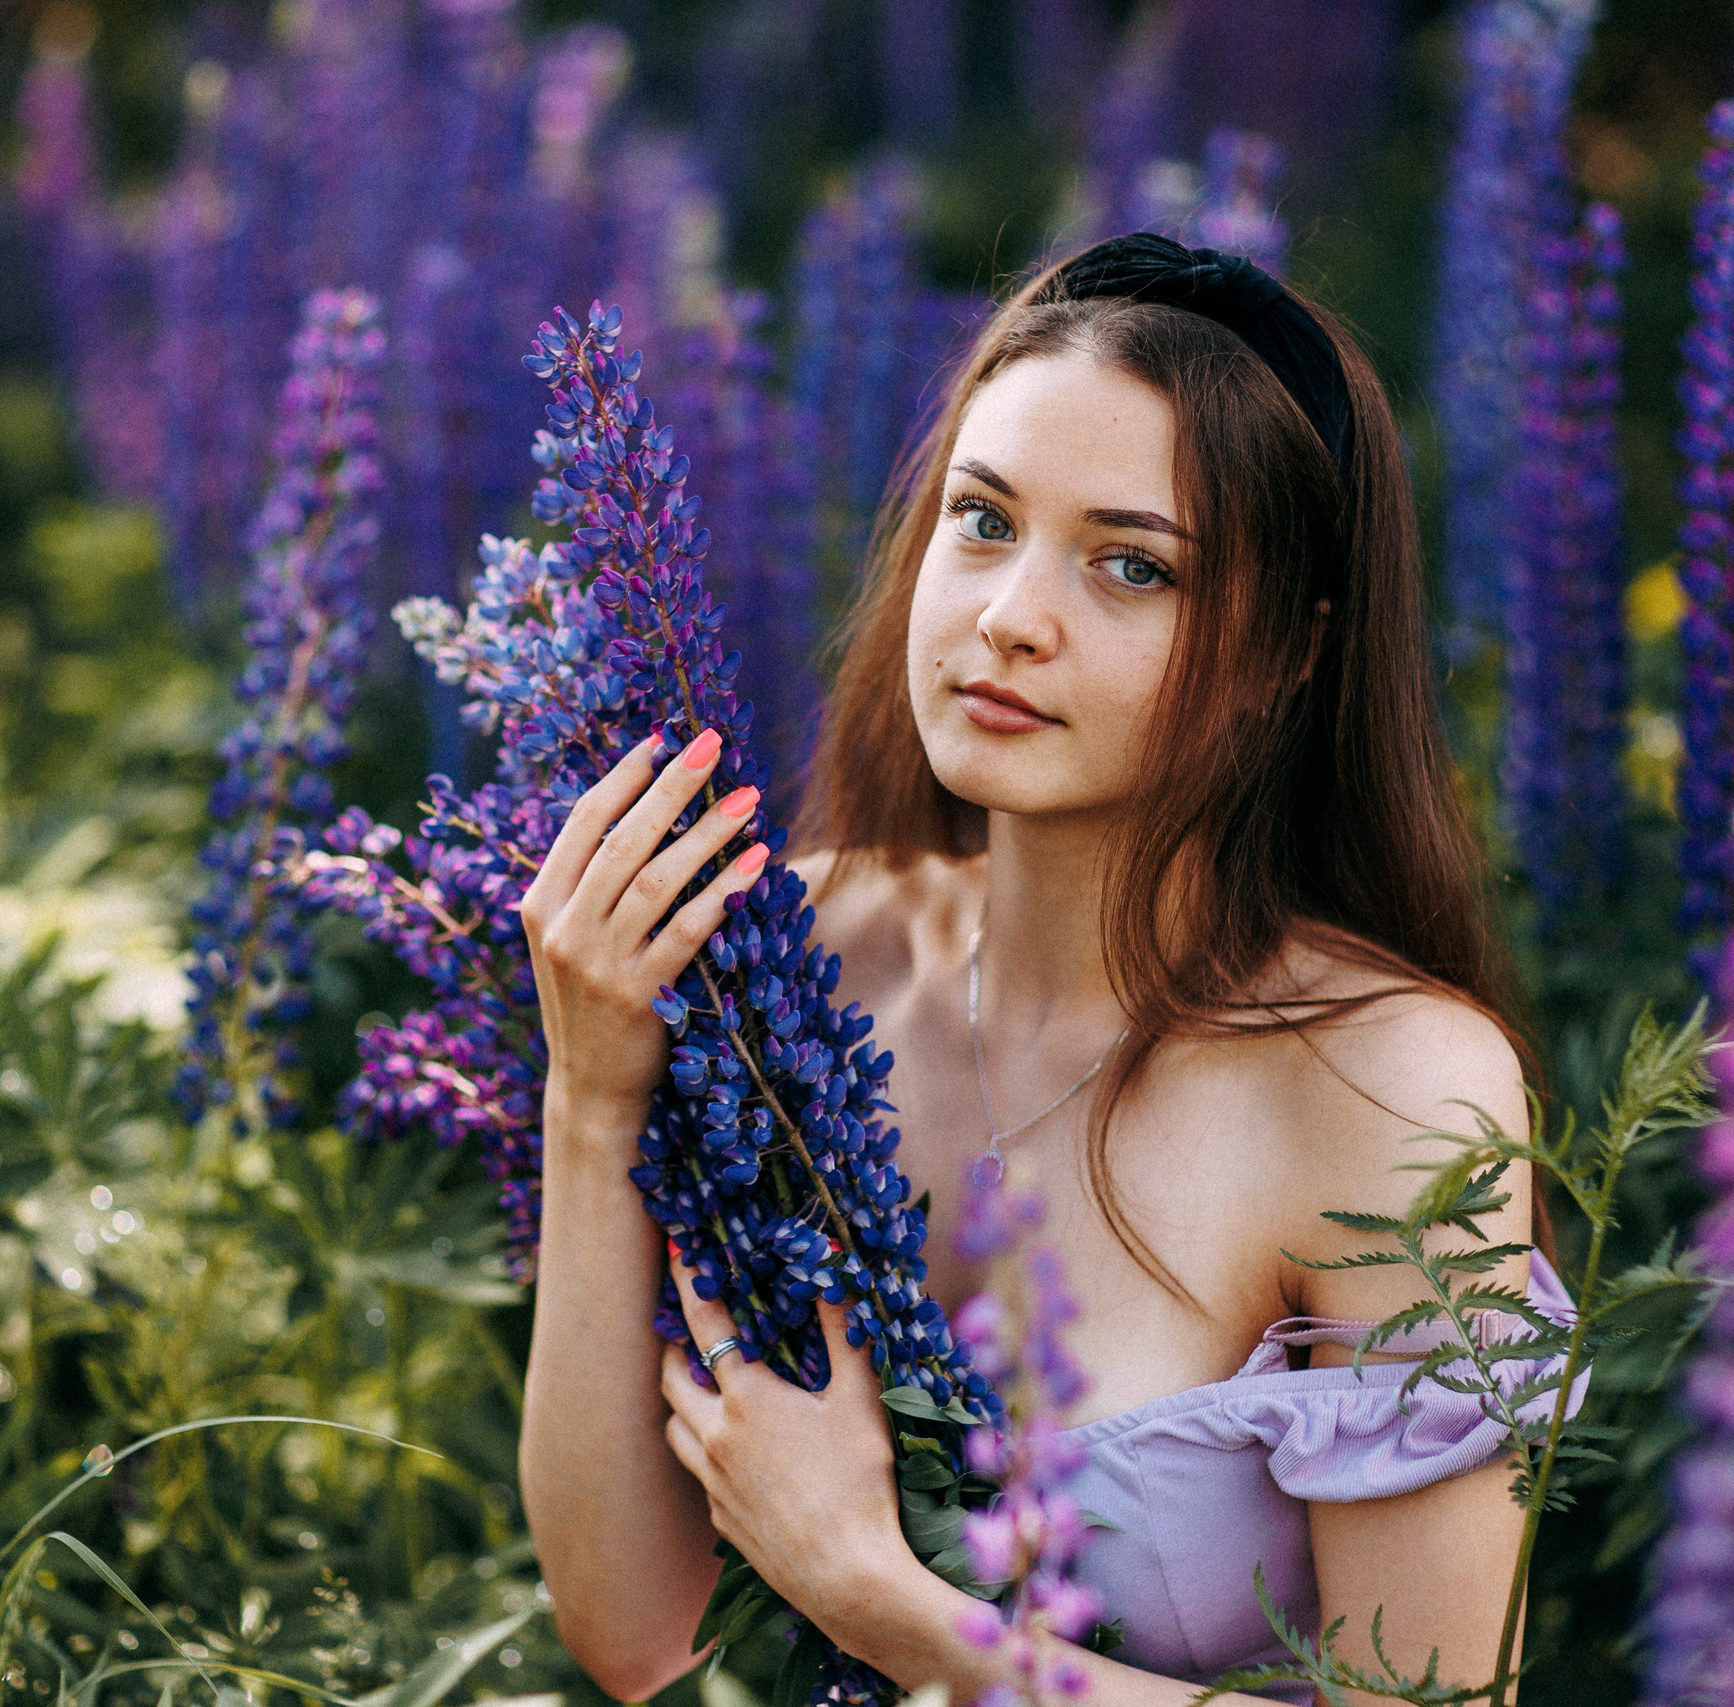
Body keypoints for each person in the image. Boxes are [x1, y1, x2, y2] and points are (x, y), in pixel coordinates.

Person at [514, 234, 1577, 1707]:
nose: (1011, 614)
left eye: (1132, 565)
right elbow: (636, 1636)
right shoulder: (792, 953)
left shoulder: (1389, 1087)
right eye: (983, 519)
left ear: (1286, 649)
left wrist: (875, 1600)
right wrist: (592, 1095)